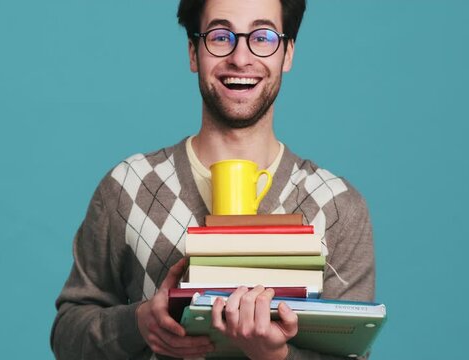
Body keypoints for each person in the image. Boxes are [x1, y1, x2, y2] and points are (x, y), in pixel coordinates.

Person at [50, 0, 375, 359]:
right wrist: (139, 322)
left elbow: (352, 354)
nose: (240, 57)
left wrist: (274, 356)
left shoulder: (338, 207)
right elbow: (67, 337)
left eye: (263, 36)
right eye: (220, 36)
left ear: (287, 53)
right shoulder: (127, 187)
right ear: (193, 52)